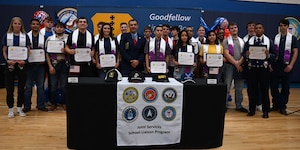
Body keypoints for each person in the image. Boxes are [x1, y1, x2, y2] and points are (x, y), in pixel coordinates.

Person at [243, 23, 276, 118]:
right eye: (256, 28)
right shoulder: (249, 41)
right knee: (251, 90)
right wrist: (247, 55)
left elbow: (274, 55)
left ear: (263, 30)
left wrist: (268, 55)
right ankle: (252, 110)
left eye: (259, 28)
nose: (257, 29)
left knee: (264, 90)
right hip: (252, 69)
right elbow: (244, 53)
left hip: (264, 69)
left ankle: (266, 111)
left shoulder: (269, 41)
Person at [2, 16, 31, 118]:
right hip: (10, 64)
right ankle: (10, 109)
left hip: (22, 64)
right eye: (15, 23)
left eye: (19, 24)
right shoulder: (7, 35)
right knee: (9, 88)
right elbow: (4, 50)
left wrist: (25, 60)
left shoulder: (25, 36)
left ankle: (19, 108)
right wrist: (7, 60)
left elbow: (28, 50)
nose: (17, 25)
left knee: (21, 88)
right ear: (12, 24)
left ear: (21, 25)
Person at [270, 18, 299, 115]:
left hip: (286, 65)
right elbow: (272, 52)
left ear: (287, 27)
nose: (282, 27)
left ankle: (282, 106)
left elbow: (295, 52)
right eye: (281, 26)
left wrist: (291, 65)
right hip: (275, 65)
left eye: (284, 26)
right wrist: (271, 64)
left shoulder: (293, 38)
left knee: (285, 87)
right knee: (273, 87)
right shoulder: (275, 38)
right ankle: (276, 104)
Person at [222, 22, 248, 113]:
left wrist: (239, 63)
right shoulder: (226, 41)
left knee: (239, 87)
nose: (234, 29)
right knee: (227, 86)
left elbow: (245, 54)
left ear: (237, 29)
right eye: (232, 28)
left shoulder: (242, 41)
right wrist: (235, 63)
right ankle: (224, 105)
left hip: (240, 66)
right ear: (229, 30)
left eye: (235, 28)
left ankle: (239, 105)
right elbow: (226, 53)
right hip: (229, 66)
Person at [23, 18, 48, 112]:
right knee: (28, 86)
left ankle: (40, 105)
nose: (35, 26)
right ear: (30, 25)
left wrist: (44, 60)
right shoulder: (25, 37)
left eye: (37, 24)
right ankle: (27, 106)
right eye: (33, 24)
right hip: (29, 65)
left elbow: (46, 51)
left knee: (40, 86)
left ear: (39, 26)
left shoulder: (44, 37)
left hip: (40, 65)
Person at [45, 22, 69, 111]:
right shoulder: (50, 38)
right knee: (53, 85)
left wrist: (66, 51)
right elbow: (47, 54)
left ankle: (64, 103)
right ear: (55, 28)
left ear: (64, 29)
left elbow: (71, 51)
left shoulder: (68, 38)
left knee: (64, 86)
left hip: (65, 64)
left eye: (61, 27)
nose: (59, 29)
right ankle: (53, 103)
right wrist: (50, 66)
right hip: (54, 64)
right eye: (58, 27)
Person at [243, 21, 262, 112]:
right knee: (250, 86)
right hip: (249, 66)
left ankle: (259, 103)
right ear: (247, 28)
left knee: (259, 86)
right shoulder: (245, 39)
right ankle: (251, 105)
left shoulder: (264, 40)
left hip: (261, 67)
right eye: (249, 26)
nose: (251, 28)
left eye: (253, 26)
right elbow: (244, 53)